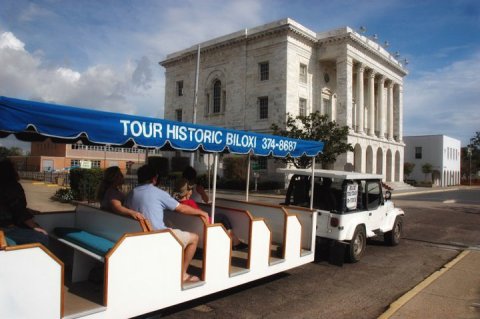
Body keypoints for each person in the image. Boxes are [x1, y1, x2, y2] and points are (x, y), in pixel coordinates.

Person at [125, 165, 210, 283]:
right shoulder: (158, 193)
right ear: (154, 179)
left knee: (175, 229)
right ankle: (183, 274)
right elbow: (180, 208)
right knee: (194, 238)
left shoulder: (131, 193)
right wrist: (202, 212)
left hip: (139, 235)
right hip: (159, 235)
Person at [173, 178, 246, 250]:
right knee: (222, 217)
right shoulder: (190, 202)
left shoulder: (176, 203)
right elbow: (200, 213)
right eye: (191, 190)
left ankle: (232, 239)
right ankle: (235, 241)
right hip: (204, 223)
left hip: (192, 225)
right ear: (188, 192)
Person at [0, 159, 49, 246]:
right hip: (6, 228)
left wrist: (27, 210)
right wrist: (35, 226)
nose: (17, 171)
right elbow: (19, 209)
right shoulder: (12, 187)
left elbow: (8, 206)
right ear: (10, 171)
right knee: (43, 237)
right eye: (15, 169)